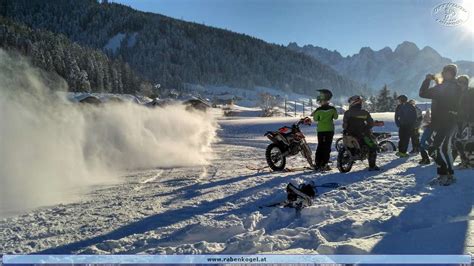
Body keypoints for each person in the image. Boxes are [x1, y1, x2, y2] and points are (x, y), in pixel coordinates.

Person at [419, 64, 462, 185]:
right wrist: (427, 80)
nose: (445, 74)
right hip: (439, 123)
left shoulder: (454, 87)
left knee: (443, 148)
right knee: (433, 149)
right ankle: (443, 173)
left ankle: (449, 175)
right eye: (444, 72)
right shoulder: (443, 87)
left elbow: (455, 100)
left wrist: (433, 82)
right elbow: (423, 93)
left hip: (449, 122)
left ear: (453, 74)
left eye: (448, 72)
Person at [342, 95, 380, 171]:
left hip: (349, 135)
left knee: (349, 146)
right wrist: (366, 129)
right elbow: (371, 123)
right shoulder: (364, 113)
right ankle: (372, 166)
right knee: (373, 147)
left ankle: (350, 156)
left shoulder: (347, 113)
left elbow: (344, 125)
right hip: (362, 135)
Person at [312, 89, 338, 171]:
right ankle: (324, 163)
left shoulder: (318, 110)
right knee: (327, 147)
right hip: (329, 130)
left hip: (320, 130)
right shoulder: (333, 109)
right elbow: (336, 117)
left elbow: (315, 119)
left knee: (320, 146)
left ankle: (318, 163)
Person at [454, 75, 472, 168]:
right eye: (459, 82)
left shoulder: (471, 92)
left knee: (468, 141)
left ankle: (469, 161)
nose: (460, 84)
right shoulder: (457, 93)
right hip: (459, 120)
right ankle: (464, 160)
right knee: (458, 141)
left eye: (462, 82)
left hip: (469, 121)